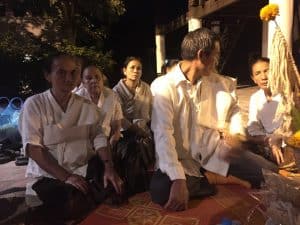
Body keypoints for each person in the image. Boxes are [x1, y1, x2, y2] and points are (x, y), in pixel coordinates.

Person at [150, 28, 278, 211]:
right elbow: (163, 135)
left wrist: (236, 134)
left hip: (216, 153)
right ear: (202, 55)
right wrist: (178, 179)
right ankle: (214, 178)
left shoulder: (217, 82)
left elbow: (234, 109)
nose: (217, 61)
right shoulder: (163, 87)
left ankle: (208, 178)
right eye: (216, 55)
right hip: (182, 160)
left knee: (269, 173)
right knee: (161, 190)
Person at [18, 54, 123, 223]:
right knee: (66, 203)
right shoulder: (35, 104)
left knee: (115, 183)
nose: (68, 78)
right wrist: (67, 177)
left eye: (73, 72)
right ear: (48, 75)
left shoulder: (86, 106)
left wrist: (109, 166)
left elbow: (99, 138)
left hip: (84, 169)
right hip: (49, 175)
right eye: (61, 72)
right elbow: (33, 148)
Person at [113, 56, 154, 196]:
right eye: (132, 67)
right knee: (133, 149)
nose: (136, 71)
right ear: (124, 71)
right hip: (125, 133)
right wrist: (137, 130)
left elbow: (152, 111)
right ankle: (134, 185)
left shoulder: (146, 88)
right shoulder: (116, 91)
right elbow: (120, 118)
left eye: (139, 68)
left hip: (145, 130)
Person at [246, 56, 287, 166]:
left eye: (266, 71)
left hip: (289, 142)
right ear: (253, 79)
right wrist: (269, 140)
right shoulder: (255, 98)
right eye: (258, 73)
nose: (263, 77)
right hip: (269, 145)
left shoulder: (287, 94)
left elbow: (295, 125)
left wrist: (279, 137)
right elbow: (253, 129)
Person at [76, 65, 123, 146]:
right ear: (82, 82)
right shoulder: (76, 99)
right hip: (84, 144)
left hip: (107, 141)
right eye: (89, 78)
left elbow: (117, 122)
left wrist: (115, 135)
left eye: (97, 77)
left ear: (102, 80)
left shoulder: (112, 95)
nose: (94, 80)